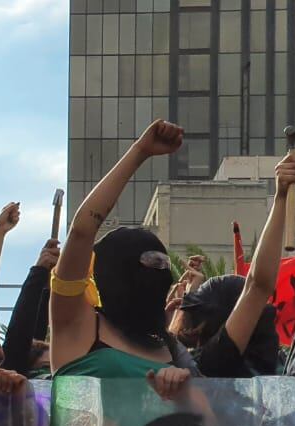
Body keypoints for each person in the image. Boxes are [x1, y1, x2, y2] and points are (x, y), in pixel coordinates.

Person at [50, 120, 191, 397]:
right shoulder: (75, 323)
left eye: (163, 264)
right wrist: (140, 151)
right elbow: (81, 231)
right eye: (149, 262)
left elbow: (202, 417)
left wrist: (182, 394)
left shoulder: (167, 346)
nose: (159, 271)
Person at [168, 154, 295, 378]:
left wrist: (280, 197)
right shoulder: (284, 372)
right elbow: (256, 287)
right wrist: (280, 197)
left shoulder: (205, 367)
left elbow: (257, 286)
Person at [1, 240, 58, 377]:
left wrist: (47, 280)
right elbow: (19, 334)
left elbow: (35, 330)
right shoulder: (14, 381)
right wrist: (39, 272)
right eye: (45, 368)